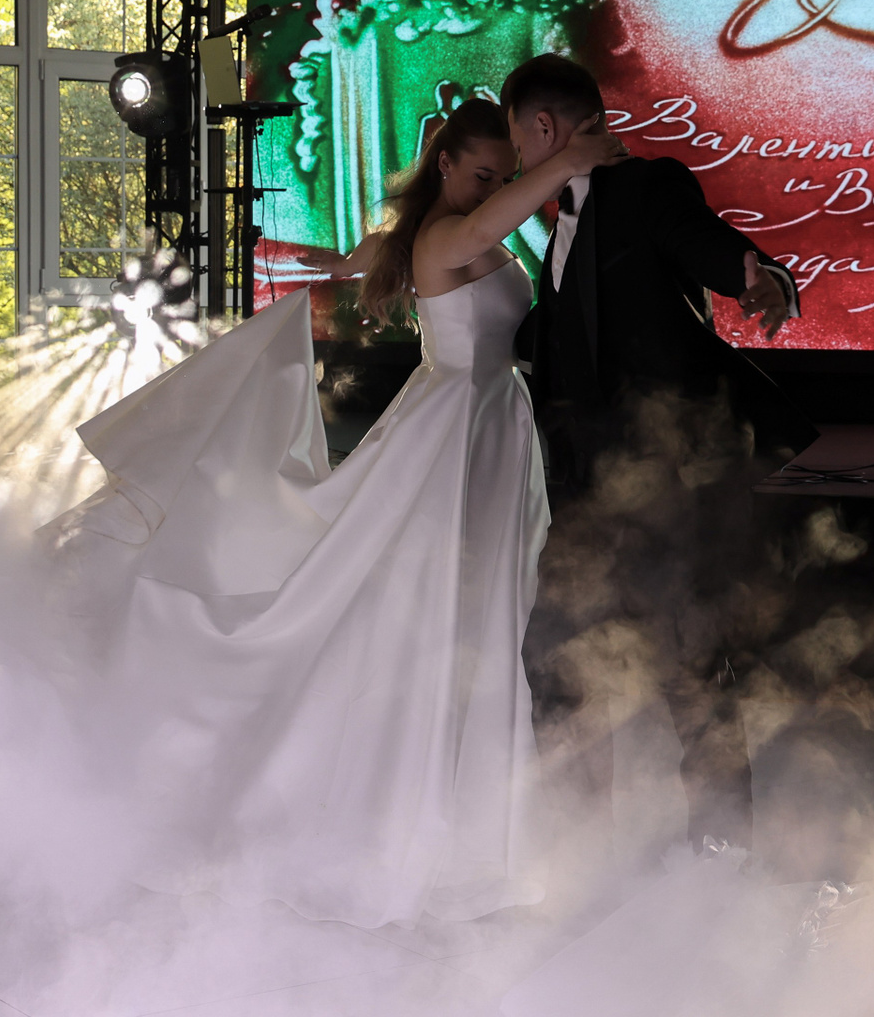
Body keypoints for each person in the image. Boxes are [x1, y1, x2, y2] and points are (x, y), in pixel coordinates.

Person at [50, 97, 624, 927]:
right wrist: (567, 159)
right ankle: (393, 819)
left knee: (469, 623)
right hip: (450, 437)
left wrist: (355, 254)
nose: (493, 187)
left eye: (500, 176)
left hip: (486, 428)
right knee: (425, 621)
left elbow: (381, 252)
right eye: (480, 173)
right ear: (446, 165)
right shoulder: (447, 235)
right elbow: (478, 224)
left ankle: (458, 828)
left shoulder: (437, 230)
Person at [505, 52, 817, 853]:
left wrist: (756, 275)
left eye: (517, 140)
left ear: (543, 127)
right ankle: (578, 844)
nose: (516, 158)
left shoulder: (647, 186)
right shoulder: (559, 221)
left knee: (692, 662)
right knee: (557, 659)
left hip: (667, 481)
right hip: (585, 492)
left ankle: (721, 846)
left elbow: (707, 244)